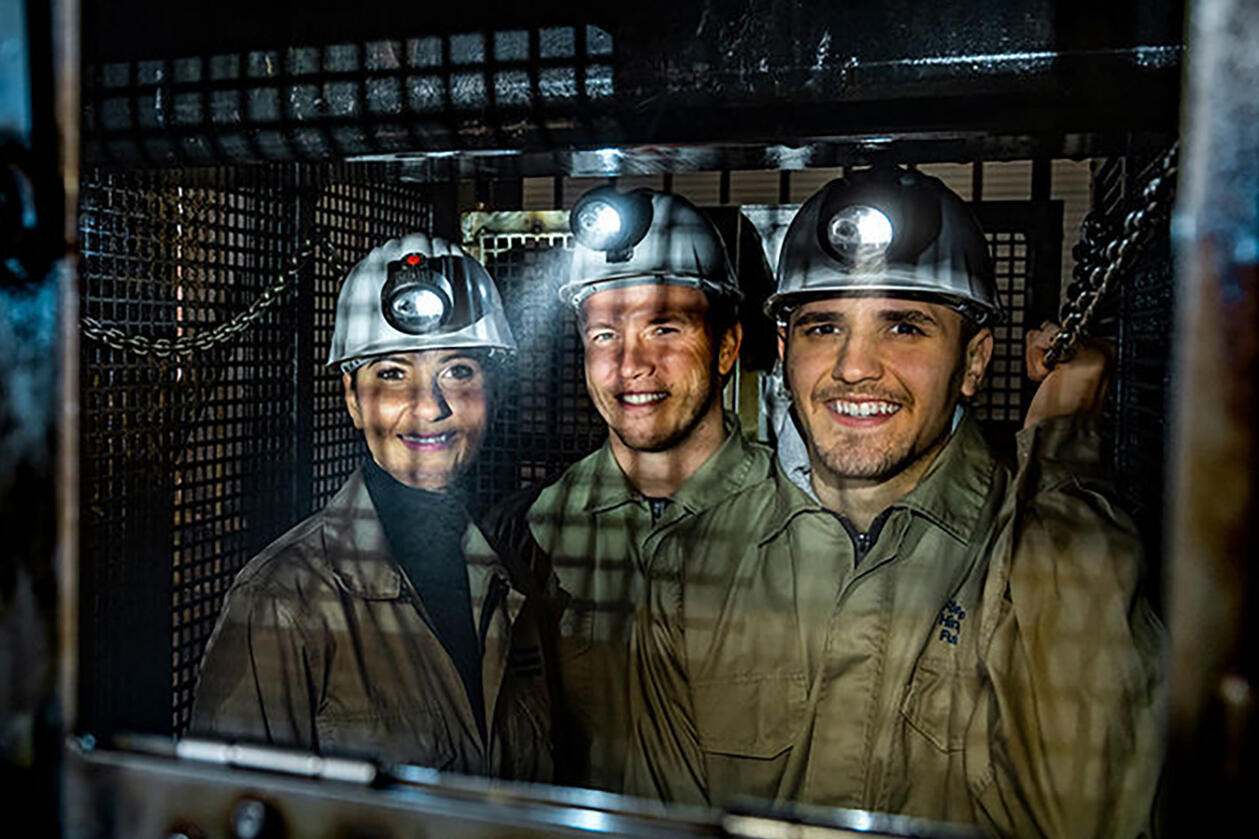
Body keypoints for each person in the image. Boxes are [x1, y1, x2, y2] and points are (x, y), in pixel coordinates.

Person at [628, 167, 1164, 838]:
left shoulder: (1044, 549)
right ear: (786, 351)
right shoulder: (690, 565)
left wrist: (1057, 469)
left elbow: (1088, 814)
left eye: (903, 327)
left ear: (972, 363)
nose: (854, 365)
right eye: (824, 327)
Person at [190, 234, 550, 781]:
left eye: (458, 370)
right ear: (353, 399)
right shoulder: (283, 601)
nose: (430, 407)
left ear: (492, 391)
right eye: (391, 373)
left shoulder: (514, 574)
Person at [486, 187, 773, 791]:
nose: (630, 366)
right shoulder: (527, 537)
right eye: (604, 336)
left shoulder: (801, 526)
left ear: (727, 346)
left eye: (665, 327)